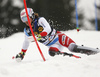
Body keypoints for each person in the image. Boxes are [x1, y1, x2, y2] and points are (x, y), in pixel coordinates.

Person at [15, 8, 99, 61]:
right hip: (53, 44)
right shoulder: (27, 30)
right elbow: (26, 42)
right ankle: (73, 60)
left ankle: (96, 52)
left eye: (26, 18)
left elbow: (48, 29)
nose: (25, 21)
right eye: (23, 19)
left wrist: (38, 36)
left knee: (73, 48)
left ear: (32, 16)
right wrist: (22, 53)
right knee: (52, 52)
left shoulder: (40, 20)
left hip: (59, 37)